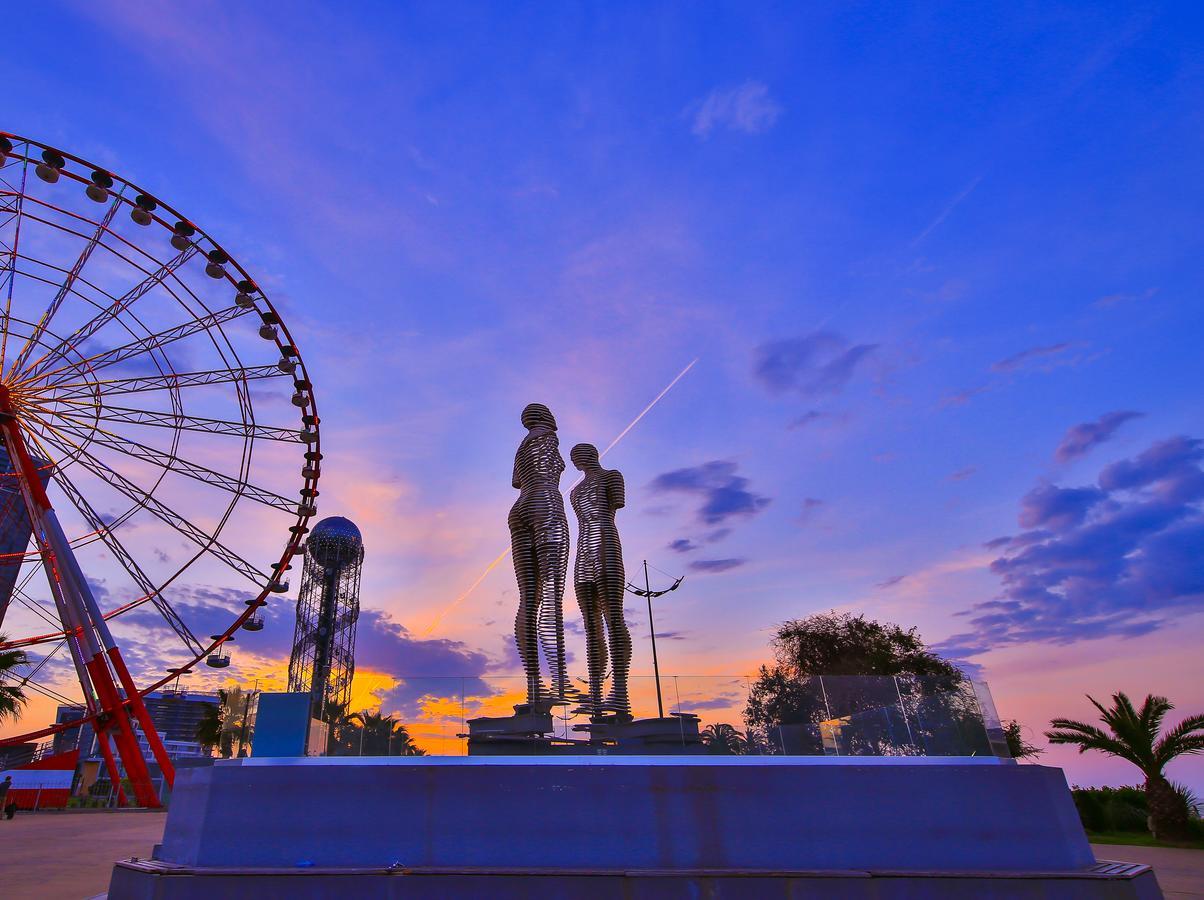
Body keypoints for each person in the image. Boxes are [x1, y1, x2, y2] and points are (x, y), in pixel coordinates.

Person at [508, 403, 571, 704]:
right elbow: (551, 470)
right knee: (552, 596)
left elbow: (516, 482)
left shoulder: (521, 446)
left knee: (528, 599)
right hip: (545, 501)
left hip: (519, 507)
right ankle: (560, 683)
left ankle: (535, 686)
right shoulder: (548, 437)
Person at [570, 443, 633, 718]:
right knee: (591, 625)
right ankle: (595, 694)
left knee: (613, 617)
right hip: (583, 551)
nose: (577, 459)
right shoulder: (574, 492)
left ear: (594, 455)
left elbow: (614, 507)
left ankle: (619, 693)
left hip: (606, 543)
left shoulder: (612, 476)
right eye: (574, 457)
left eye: (581, 454)